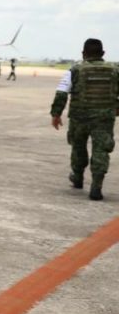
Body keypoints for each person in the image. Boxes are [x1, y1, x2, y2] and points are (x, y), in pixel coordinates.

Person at [50, 38, 119, 201]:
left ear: (83, 53)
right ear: (103, 53)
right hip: (104, 118)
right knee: (101, 150)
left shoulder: (74, 70)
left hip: (79, 117)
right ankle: (96, 187)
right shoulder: (115, 70)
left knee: (78, 147)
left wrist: (56, 114)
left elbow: (61, 93)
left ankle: (78, 177)